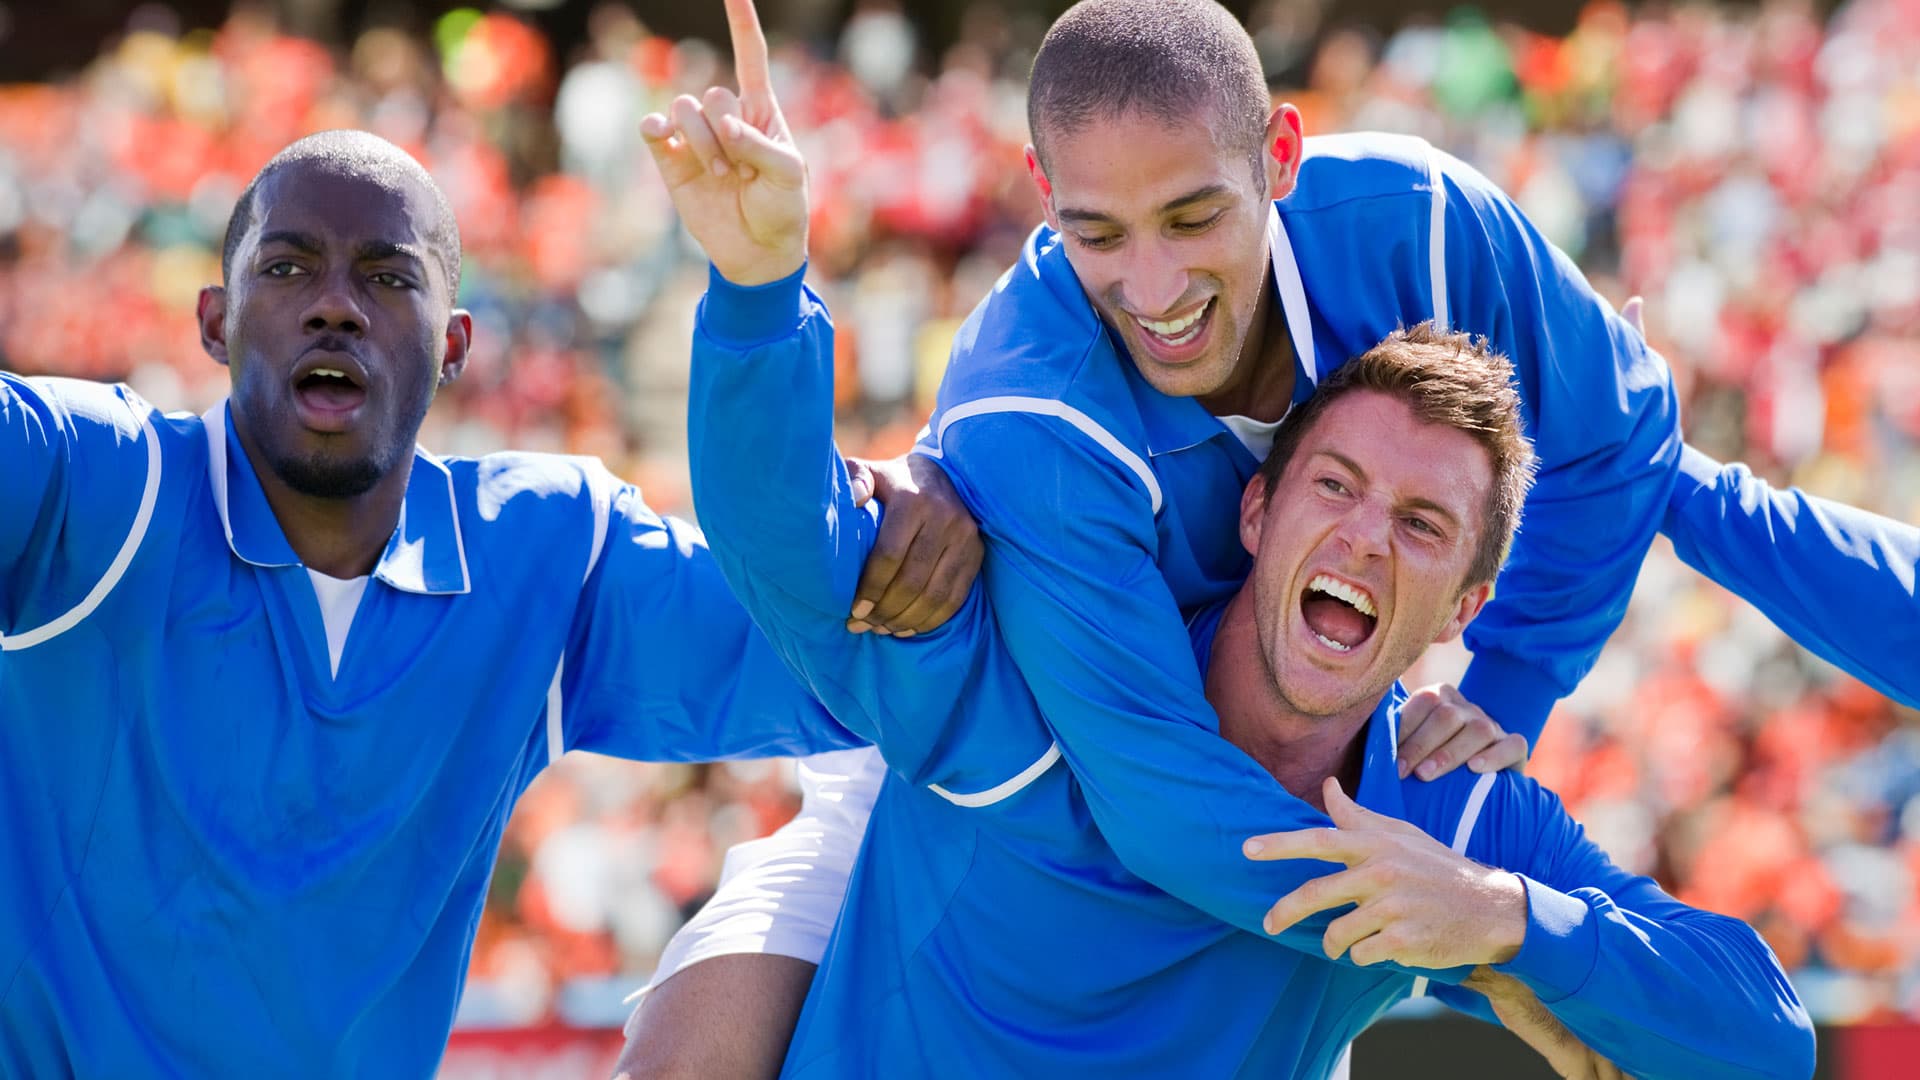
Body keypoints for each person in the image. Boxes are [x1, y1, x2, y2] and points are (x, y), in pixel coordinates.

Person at [623, 0, 1666, 1069]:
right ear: (1044, 195)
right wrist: (1486, 961)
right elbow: (1155, 803)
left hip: (1259, 803)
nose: (1156, 287)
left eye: (1193, 216)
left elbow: (1625, 435)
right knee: (684, 1063)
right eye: (1098, 233)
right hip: (1040, 755)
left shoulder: (1429, 232)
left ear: (1281, 157)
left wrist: (1505, 702)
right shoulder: (1029, 416)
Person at [669, 248, 1814, 1075]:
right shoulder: (1041, 671)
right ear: (1257, 512)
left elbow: (1767, 1035)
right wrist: (762, 282)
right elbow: (782, 540)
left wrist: (1509, 925)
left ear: (1465, 606)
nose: (1366, 537)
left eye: (1422, 525)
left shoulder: (1451, 829)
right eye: (1337, 486)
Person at [0, 129, 979, 1075]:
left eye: (389, 277)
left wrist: (766, 298)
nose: (335, 306)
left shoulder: (549, 555)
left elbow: (828, 634)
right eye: (289, 268)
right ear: (214, 321)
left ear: (455, 345)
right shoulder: (90, 488)